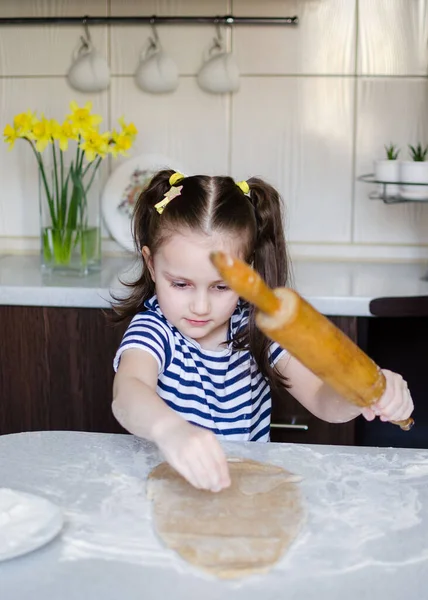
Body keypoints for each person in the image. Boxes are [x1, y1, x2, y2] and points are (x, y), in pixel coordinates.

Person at [112, 170, 414, 492]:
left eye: (220, 287)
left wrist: (365, 394)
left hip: (246, 498)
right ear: (151, 264)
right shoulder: (155, 329)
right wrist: (170, 430)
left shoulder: (257, 330)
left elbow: (323, 402)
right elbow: (128, 392)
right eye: (181, 284)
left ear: (248, 271)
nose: (200, 307)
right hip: (169, 492)